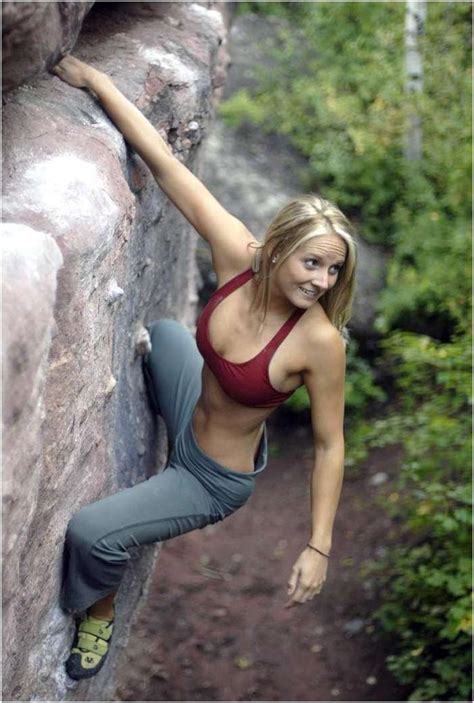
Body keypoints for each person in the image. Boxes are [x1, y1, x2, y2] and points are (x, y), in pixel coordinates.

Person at [52, 55, 357, 681]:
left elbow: (330, 445)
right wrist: (99, 81)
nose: (321, 281)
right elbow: (165, 166)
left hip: (212, 475)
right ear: (277, 249)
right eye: (311, 264)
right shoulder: (238, 255)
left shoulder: (320, 342)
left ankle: (99, 612)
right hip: (195, 404)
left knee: (92, 533)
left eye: (333, 271)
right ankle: (156, 478)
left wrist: (318, 546)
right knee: (164, 334)